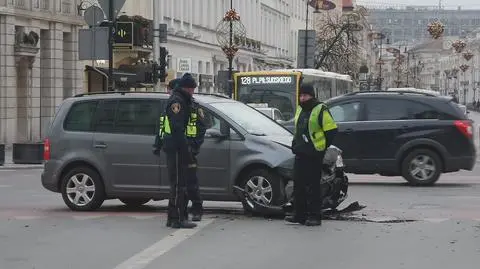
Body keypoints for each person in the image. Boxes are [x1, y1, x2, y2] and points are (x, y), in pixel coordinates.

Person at [285, 84, 338, 226]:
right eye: (301, 95)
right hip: (301, 152)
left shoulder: (320, 109)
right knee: (299, 185)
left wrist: (321, 148)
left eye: (305, 95)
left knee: (313, 186)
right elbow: (298, 129)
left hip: (314, 154)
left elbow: (331, 130)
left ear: (312, 96)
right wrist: (295, 144)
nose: (302, 98)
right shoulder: (300, 109)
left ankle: (314, 216)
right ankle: (299, 214)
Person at [154, 73, 199, 229]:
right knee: (179, 184)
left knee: (178, 184)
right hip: (176, 148)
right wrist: (185, 150)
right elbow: (177, 128)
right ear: (187, 88)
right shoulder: (177, 102)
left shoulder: (181, 99)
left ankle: (173, 216)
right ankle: (177, 218)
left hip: (175, 147)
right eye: (192, 89)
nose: (193, 92)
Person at [184, 100, 211, 222]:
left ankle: (196, 209)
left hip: (188, 150)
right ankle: (180, 212)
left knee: (191, 182)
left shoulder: (193, 107)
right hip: (175, 150)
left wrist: (193, 146)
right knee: (177, 184)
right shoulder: (169, 105)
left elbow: (202, 127)